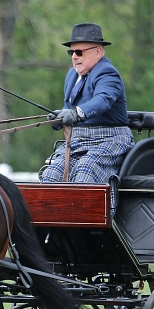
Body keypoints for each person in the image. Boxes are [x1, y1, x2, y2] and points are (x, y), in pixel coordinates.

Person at [39, 23, 133, 214]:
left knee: (85, 170)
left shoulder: (108, 73)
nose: (74, 57)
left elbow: (102, 100)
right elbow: (69, 106)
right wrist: (61, 117)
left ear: (98, 52)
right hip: (78, 139)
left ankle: (90, 228)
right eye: (71, 52)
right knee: (51, 174)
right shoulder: (72, 76)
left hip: (110, 139)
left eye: (79, 52)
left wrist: (76, 113)